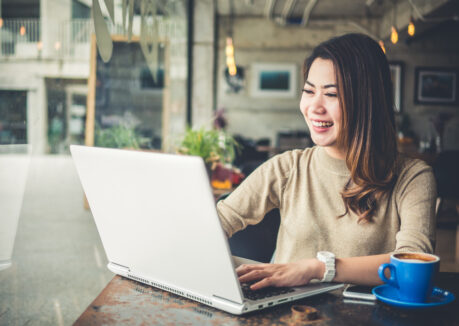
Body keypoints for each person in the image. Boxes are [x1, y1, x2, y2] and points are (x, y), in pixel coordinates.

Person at [216, 33, 436, 290]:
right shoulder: (287, 168)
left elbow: (413, 265)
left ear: (366, 102)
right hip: (287, 316)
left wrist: (317, 269)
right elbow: (217, 222)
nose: (314, 107)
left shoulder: (412, 177)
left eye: (332, 95)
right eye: (309, 91)